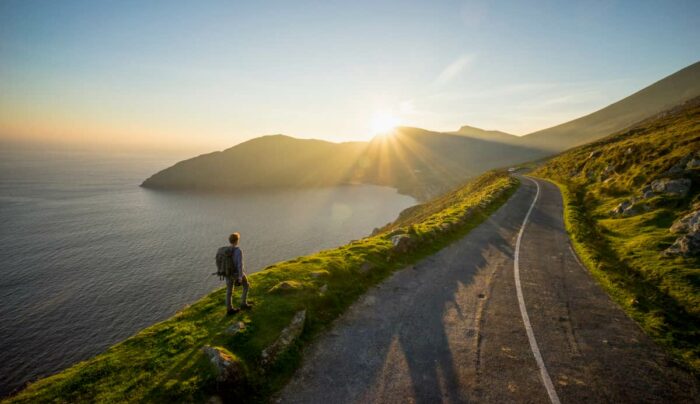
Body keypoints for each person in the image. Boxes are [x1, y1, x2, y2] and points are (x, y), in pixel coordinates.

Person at [224, 232, 252, 315]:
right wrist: (240, 277)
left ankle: (229, 309)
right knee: (246, 285)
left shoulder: (226, 250)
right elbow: (240, 264)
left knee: (229, 291)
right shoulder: (238, 251)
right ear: (237, 240)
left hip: (228, 274)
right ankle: (243, 303)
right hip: (236, 274)